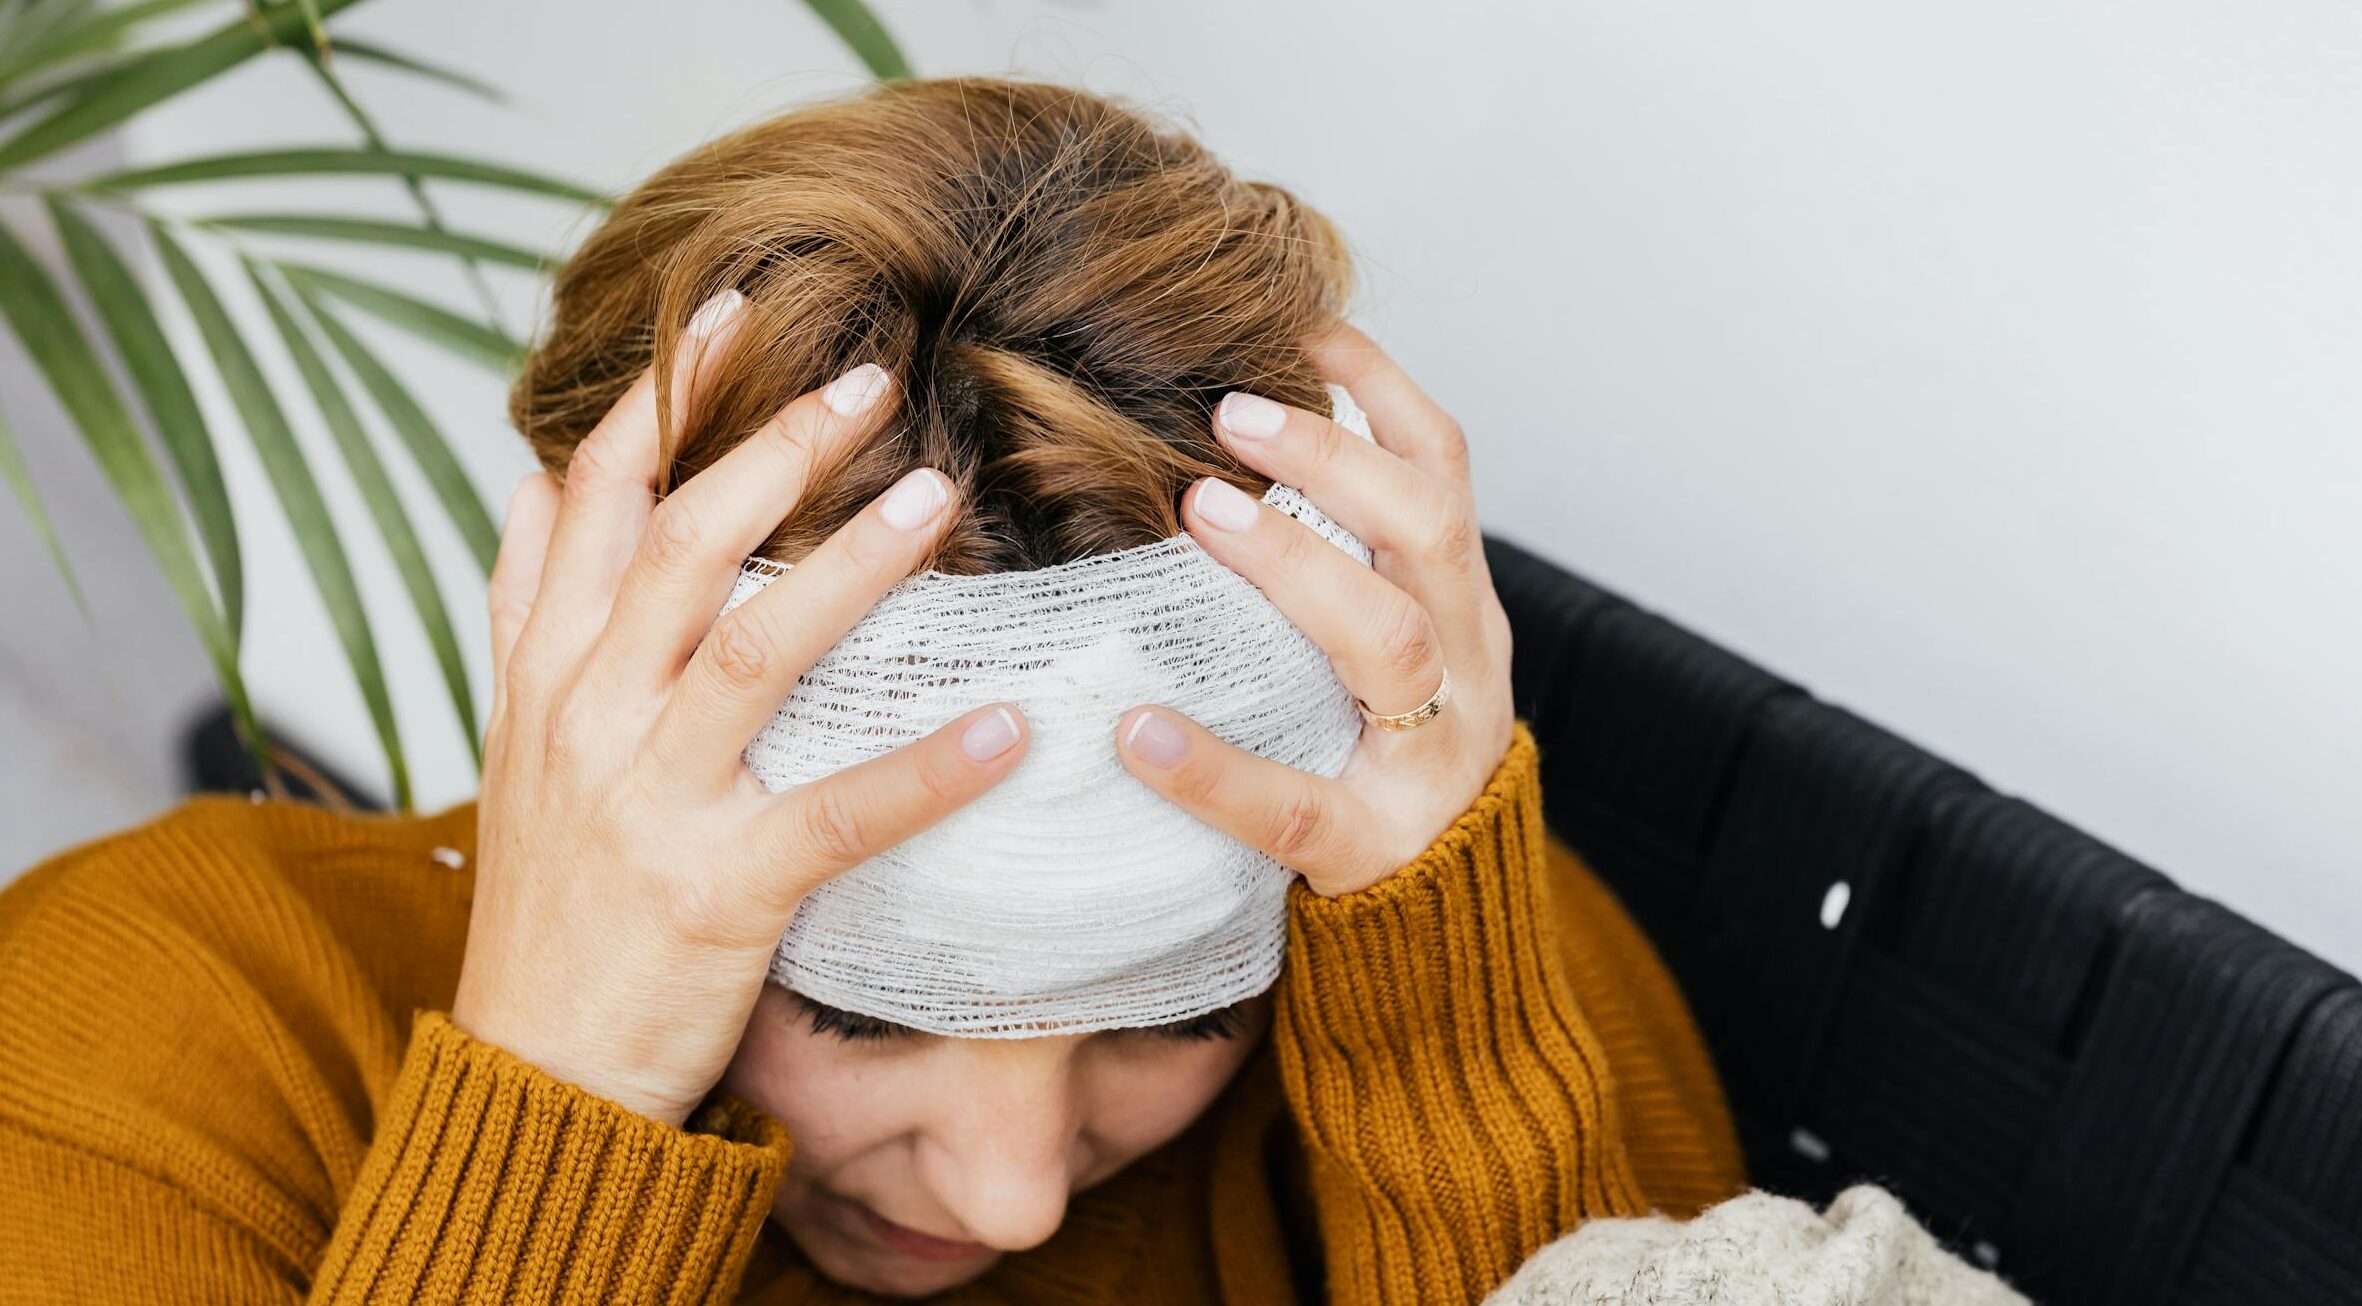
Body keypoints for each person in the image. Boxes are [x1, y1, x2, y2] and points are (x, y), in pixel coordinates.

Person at [0, 76, 1746, 1302]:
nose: (1016, 1191)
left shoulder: (1423, 936)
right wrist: (564, 1100)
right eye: (860, 1006)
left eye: (1177, 1008)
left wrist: (1448, 1030)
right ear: (567, 675)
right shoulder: (156, 1042)